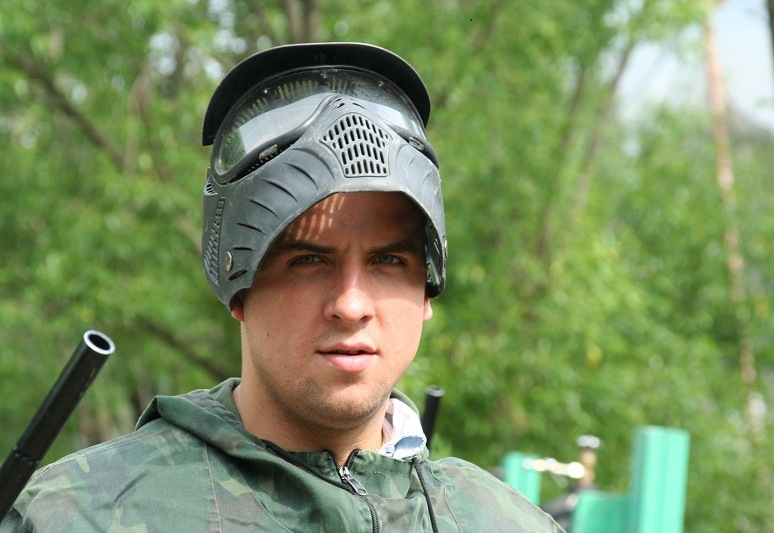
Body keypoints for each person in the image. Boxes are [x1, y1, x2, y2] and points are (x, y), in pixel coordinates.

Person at [1, 42, 563, 532]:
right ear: (238, 286)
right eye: (308, 260)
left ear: (427, 292)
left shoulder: (503, 521)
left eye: (389, 260)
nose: (351, 305)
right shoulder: (81, 514)